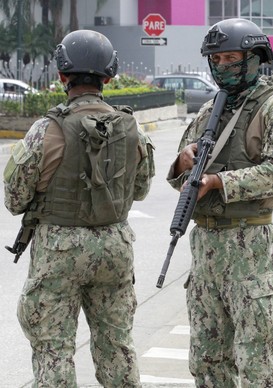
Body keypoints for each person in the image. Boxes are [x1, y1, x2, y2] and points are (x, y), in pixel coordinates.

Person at [3, 30, 155, 386]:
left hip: (59, 252)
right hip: (115, 249)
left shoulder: (45, 130)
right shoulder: (134, 131)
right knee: (116, 346)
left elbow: (14, 200)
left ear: (61, 76)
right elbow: (142, 190)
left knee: (53, 349)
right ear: (109, 77)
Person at [166, 18, 273, 387]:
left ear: (255, 58)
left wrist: (218, 181)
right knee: (207, 360)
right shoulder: (210, 109)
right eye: (216, 59)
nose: (223, 65)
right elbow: (184, 174)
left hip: (250, 249)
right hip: (206, 248)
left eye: (231, 57)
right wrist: (183, 161)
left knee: (257, 360)